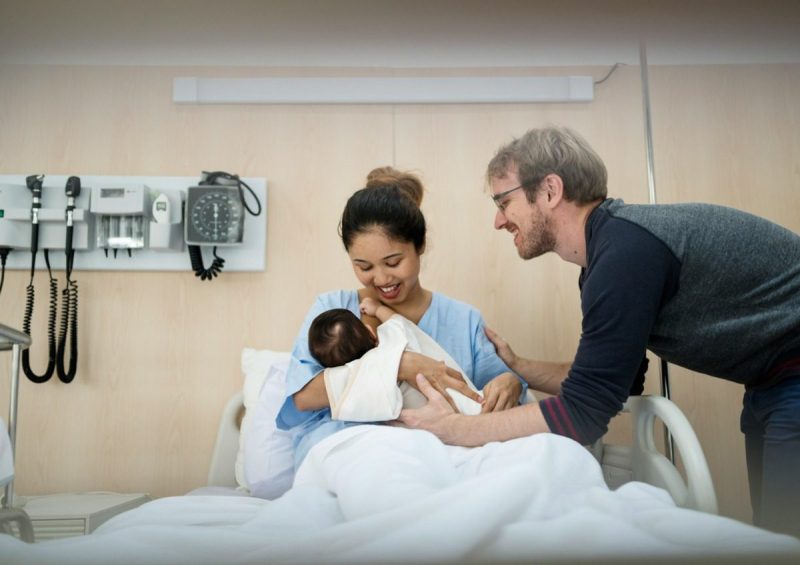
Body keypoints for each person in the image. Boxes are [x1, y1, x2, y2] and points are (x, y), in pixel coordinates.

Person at [397, 125, 800, 537]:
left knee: (785, 537)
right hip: (772, 380)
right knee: (776, 534)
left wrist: (457, 430)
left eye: (504, 202)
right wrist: (518, 365)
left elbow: (583, 413)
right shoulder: (605, 258)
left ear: (550, 190)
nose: (499, 221)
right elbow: (616, 382)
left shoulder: (625, 253)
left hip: (792, 372)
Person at [276, 166, 524, 469]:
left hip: (444, 455)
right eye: (364, 267)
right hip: (349, 455)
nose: (381, 279)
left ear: (420, 246)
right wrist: (398, 366)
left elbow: (491, 393)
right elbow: (302, 398)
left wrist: (510, 382)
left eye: (393, 262)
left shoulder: (462, 320)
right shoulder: (333, 311)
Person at [307, 299, 483, 416]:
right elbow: (396, 319)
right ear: (370, 332)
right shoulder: (393, 334)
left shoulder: (360, 387)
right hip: (472, 400)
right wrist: (377, 309)